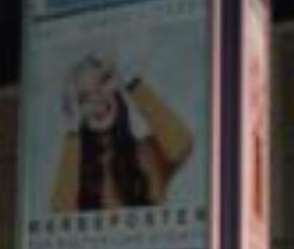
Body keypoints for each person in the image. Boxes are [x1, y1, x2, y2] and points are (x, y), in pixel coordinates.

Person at [51, 51, 193, 212]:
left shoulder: (146, 152)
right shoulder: (75, 169)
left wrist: (130, 80)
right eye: (84, 98)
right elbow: (61, 210)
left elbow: (182, 145)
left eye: (103, 83)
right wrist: (72, 129)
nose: (97, 99)